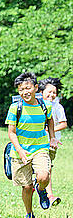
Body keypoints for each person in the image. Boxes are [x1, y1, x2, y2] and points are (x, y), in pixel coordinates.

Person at [5, 72, 58, 218]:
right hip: (20, 151)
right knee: (27, 187)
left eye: (27, 88)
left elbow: (50, 120)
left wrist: (52, 137)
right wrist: (20, 151)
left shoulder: (44, 105)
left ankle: (41, 190)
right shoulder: (15, 107)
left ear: (35, 88)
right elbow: (11, 132)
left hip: (40, 148)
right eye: (21, 89)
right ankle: (29, 214)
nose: (24, 92)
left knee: (43, 176)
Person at [39, 77, 68, 206]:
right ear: (41, 92)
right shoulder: (36, 105)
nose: (52, 95)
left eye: (54, 92)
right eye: (49, 92)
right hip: (36, 141)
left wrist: (50, 131)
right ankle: (42, 190)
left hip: (52, 142)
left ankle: (49, 194)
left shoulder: (57, 107)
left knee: (48, 168)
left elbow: (64, 124)